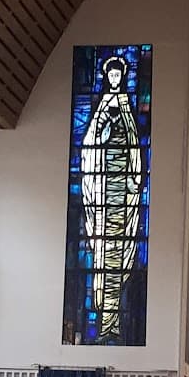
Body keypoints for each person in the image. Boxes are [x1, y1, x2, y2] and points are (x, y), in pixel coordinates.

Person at [81, 54, 141, 341]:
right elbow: (90, 144)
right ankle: (104, 321)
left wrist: (133, 177)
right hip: (104, 189)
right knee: (104, 255)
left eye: (119, 75)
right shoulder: (102, 106)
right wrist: (104, 128)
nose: (115, 79)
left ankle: (114, 322)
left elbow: (135, 146)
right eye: (112, 76)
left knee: (119, 256)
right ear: (107, 77)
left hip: (121, 193)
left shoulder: (127, 106)